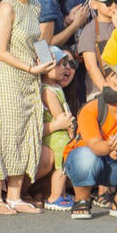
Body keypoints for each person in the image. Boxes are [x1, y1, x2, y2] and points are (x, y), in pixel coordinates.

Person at [0, 0, 56, 215]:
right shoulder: (6, 6)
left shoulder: (34, 5)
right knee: (4, 132)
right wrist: (30, 67)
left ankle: (14, 195)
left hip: (30, 77)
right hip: (8, 77)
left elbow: (36, 38)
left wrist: (45, 56)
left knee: (26, 132)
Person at [63, 79, 117, 220]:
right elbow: (95, 145)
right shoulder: (92, 108)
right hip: (88, 157)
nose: (112, 86)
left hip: (116, 163)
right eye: (108, 81)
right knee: (86, 157)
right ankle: (82, 200)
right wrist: (111, 146)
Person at [36, 45, 76, 211]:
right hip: (56, 136)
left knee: (64, 163)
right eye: (60, 64)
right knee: (62, 162)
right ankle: (55, 196)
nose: (65, 68)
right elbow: (60, 116)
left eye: (66, 64)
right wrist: (69, 129)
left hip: (61, 133)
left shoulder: (56, 87)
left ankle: (61, 194)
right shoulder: (48, 90)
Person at [77, 0, 117, 99]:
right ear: (94, 4)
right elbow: (91, 67)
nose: (113, 5)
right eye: (108, 2)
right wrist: (107, 91)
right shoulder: (90, 30)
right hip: (99, 93)